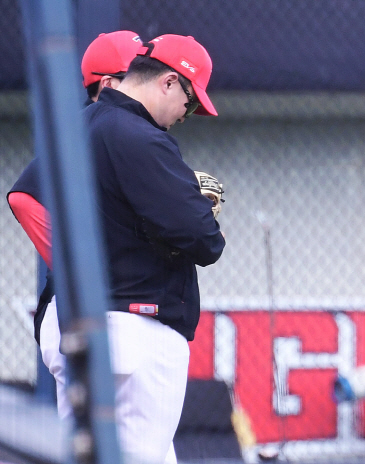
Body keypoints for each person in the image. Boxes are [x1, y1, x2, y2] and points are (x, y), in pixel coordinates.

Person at [8, 32, 225, 464]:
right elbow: (205, 241)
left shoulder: (82, 126)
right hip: (135, 328)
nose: (189, 113)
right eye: (190, 99)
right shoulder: (141, 137)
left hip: (82, 324)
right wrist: (191, 204)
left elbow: (23, 197)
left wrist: (83, 269)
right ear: (167, 81)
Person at [7, 30, 143, 419]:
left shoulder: (119, 133)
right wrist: (79, 268)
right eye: (138, 74)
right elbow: (24, 198)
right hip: (76, 307)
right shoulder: (87, 127)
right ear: (109, 83)